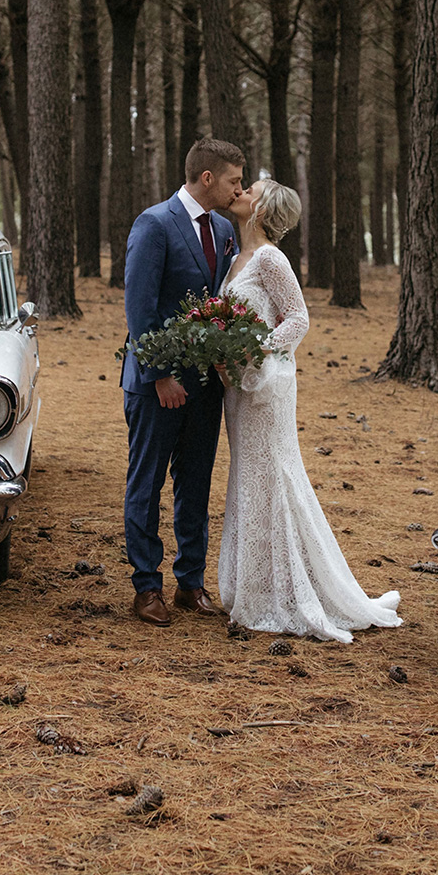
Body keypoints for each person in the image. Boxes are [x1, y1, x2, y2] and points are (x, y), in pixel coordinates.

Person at [217, 179, 401, 642]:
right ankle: (254, 587)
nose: (240, 190)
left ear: (259, 208)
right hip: (239, 391)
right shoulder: (236, 258)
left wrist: (255, 351)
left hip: (267, 388)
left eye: (249, 188)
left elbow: (298, 317)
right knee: (250, 478)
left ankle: (300, 592)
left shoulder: (270, 258)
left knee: (275, 476)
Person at [120, 138, 243, 626]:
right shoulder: (154, 224)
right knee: (146, 484)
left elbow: (219, 302)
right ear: (207, 178)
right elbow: (140, 308)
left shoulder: (223, 229)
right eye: (234, 179)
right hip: (158, 387)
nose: (239, 187)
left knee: (194, 484)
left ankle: (190, 582)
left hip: (206, 386)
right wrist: (161, 376)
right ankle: (146, 587)